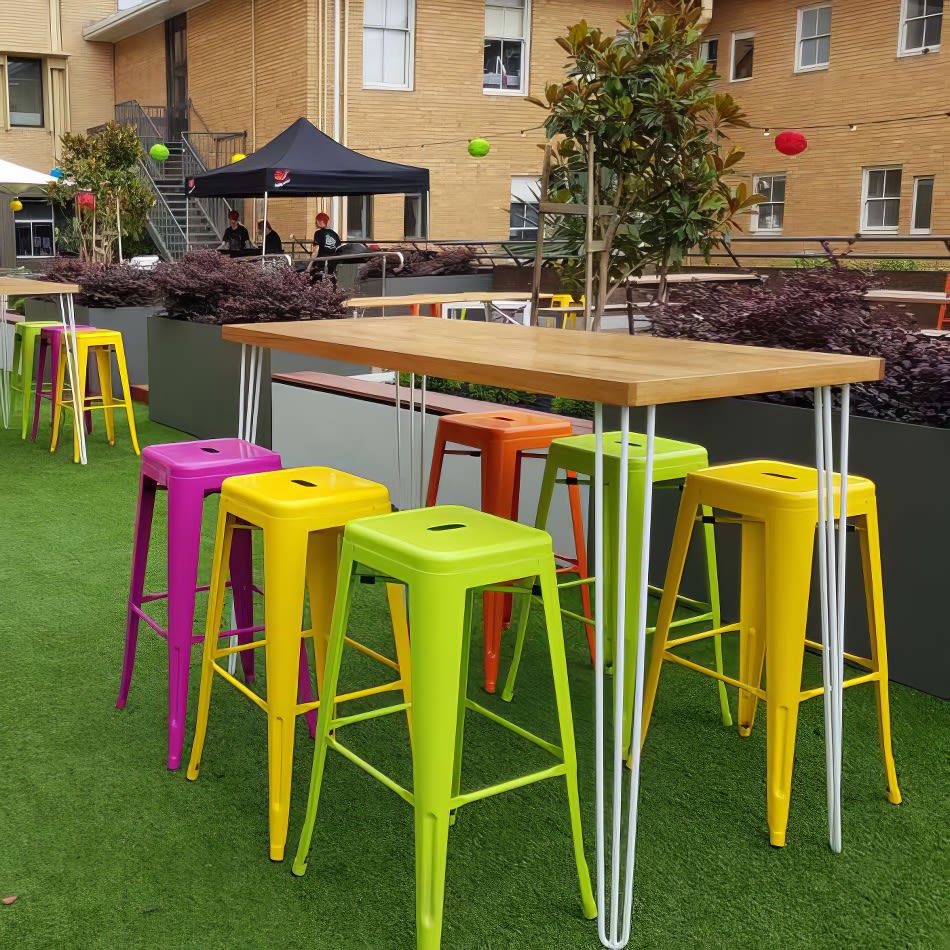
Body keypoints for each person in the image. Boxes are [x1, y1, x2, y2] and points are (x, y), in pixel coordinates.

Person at [306, 211, 341, 277]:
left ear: (319, 221)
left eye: (316, 221)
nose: (315, 223)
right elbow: (338, 248)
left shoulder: (318, 233)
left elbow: (316, 251)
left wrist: (309, 266)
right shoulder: (334, 233)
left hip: (321, 263)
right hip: (333, 264)